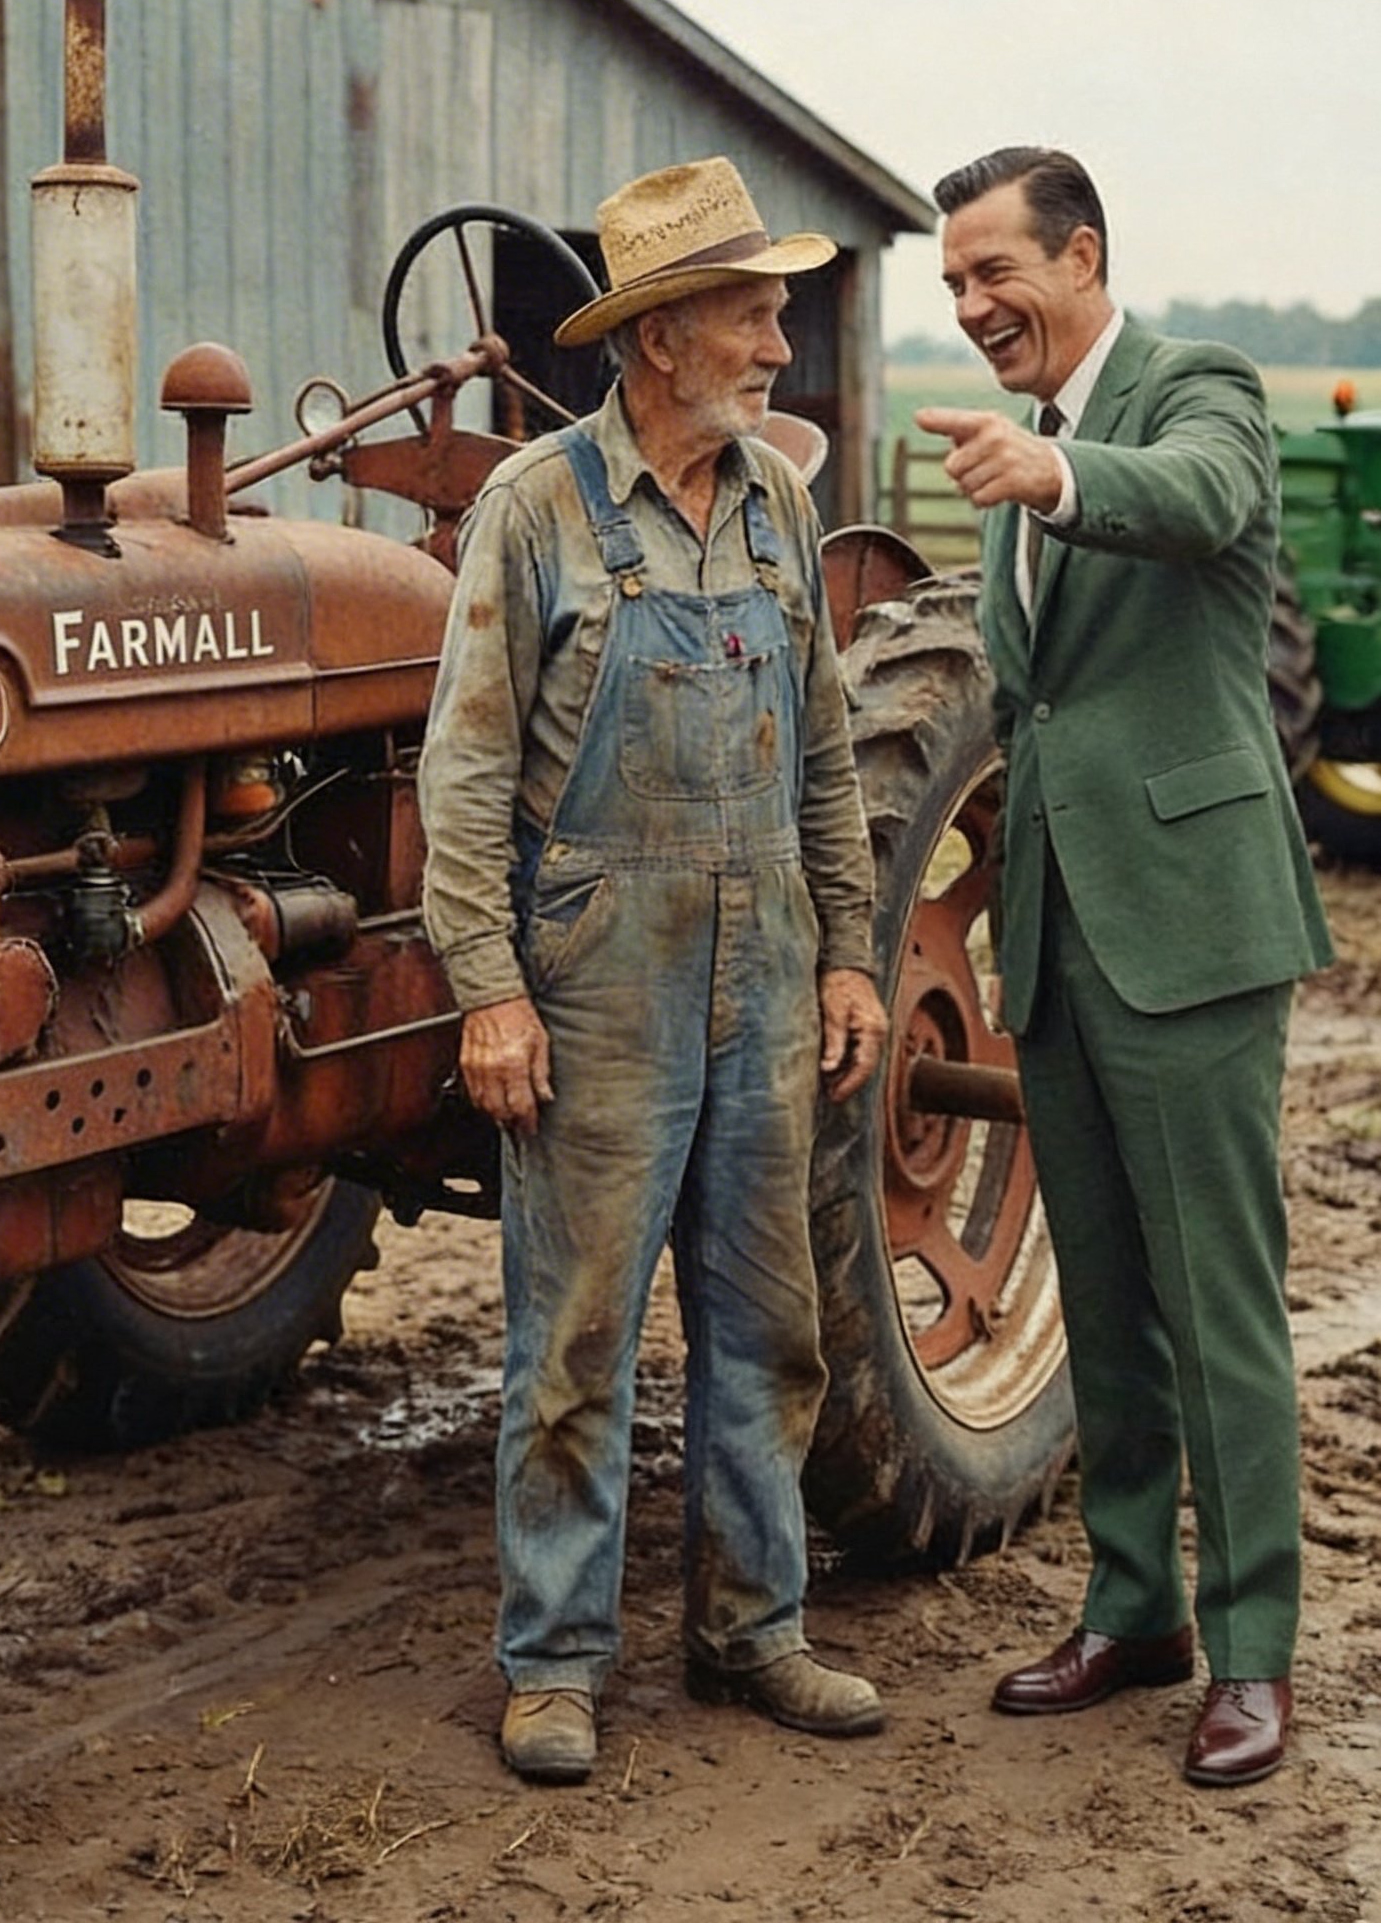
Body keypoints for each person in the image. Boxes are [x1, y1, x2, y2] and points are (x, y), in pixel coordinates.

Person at [418, 157, 890, 1785]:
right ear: (665, 335)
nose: (778, 339)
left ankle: (756, 1628)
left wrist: (843, 954)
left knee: (772, 1324)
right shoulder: (534, 511)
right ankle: (553, 1661)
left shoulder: (779, 501)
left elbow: (824, 748)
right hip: (598, 973)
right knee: (579, 1339)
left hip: (764, 953)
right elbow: (466, 775)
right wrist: (487, 983)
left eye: (774, 309)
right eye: (754, 311)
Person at [919, 147, 1333, 1787]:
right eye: (950, 287)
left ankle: (1251, 1654)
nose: (970, 309)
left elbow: (1211, 500)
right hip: (1059, 934)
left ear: (1082, 255)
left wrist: (1060, 479)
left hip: (1192, 922)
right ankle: (1134, 1608)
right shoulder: (1033, 451)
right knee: (1101, 1294)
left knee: (1214, 1299)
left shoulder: (1194, 389)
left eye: (993, 274)